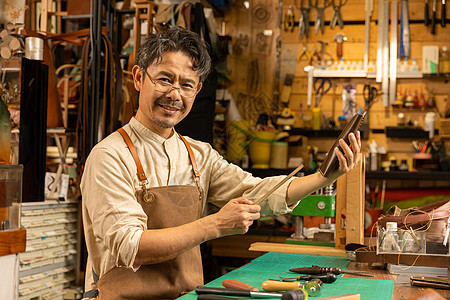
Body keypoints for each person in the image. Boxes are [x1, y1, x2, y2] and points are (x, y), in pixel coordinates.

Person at [81, 26, 361, 299]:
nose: (175, 95)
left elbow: (258, 193)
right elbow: (132, 247)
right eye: (164, 80)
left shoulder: (198, 155)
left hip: (186, 295)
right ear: (139, 78)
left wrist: (323, 176)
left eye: (187, 85)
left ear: (198, 89)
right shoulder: (109, 157)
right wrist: (215, 224)